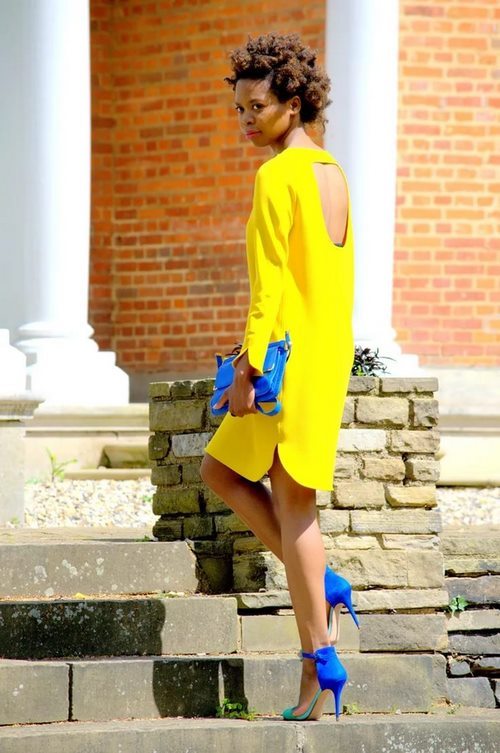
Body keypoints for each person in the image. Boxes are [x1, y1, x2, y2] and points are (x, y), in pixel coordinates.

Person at [200, 31, 359, 721]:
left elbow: (268, 289)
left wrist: (249, 368)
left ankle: (318, 664)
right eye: (239, 108)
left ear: (294, 104)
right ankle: (322, 586)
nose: (245, 120)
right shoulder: (333, 171)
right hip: (324, 353)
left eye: (257, 107)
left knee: (293, 505)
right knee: (228, 473)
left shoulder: (277, 176)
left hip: (283, 362)